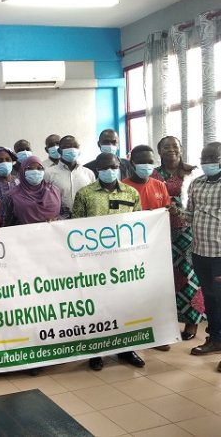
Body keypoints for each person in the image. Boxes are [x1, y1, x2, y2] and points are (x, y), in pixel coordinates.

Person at [72, 153, 143, 371]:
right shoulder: (85, 194)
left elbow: (138, 224)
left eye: (113, 167)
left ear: (119, 166)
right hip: (94, 263)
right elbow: (75, 228)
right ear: (97, 170)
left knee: (124, 304)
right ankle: (96, 351)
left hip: (123, 262)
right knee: (97, 307)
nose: (109, 171)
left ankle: (127, 349)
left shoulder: (131, 193)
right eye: (104, 167)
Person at [152, 136, 206, 340]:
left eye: (175, 146)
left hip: (187, 231)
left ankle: (192, 322)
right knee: (165, 277)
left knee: (188, 275)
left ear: (181, 149)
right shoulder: (154, 174)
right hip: (159, 231)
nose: (171, 150)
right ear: (159, 151)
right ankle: (168, 322)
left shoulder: (193, 172)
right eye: (166, 147)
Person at [122, 145, 172, 352]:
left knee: (155, 292)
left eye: (150, 162)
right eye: (142, 162)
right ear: (133, 163)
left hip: (156, 250)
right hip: (129, 251)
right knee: (132, 293)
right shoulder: (123, 187)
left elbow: (165, 213)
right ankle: (133, 334)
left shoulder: (160, 185)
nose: (146, 166)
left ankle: (158, 334)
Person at [186, 142, 221, 366]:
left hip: (220, 253)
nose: (207, 162)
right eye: (204, 159)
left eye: (212, 158)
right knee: (210, 296)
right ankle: (215, 339)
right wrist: (171, 211)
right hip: (200, 252)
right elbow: (189, 214)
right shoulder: (196, 183)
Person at [44, 135, 95, 219]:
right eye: (67, 147)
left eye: (75, 146)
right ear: (59, 151)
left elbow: (93, 198)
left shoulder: (88, 173)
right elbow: (44, 199)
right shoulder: (48, 173)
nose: (72, 149)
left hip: (85, 220)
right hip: (59, 221)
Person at [3, 155, 61, 225]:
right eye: (30, 168)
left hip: (52, 231)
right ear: (22, 171)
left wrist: (57, 220)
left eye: (39, 168)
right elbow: (7, 223)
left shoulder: (54, 190)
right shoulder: (12, 195)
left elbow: (63, 213)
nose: (35, 171)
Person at [0, 146, 19, 223]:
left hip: (20, 226)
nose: (4, 162)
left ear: (12, 162)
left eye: (8, 160)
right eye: (0, 161)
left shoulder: (20, 182)